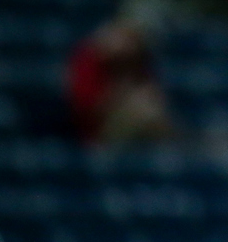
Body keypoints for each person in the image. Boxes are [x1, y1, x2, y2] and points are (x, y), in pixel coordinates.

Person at [65, 17, 177, 146]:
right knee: (145, 108)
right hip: (96, 137)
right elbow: (87, 110)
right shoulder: (89, 60)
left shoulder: (139, 61)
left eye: (132, 39)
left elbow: (155, 95)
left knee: (148, 105)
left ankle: (177, 149)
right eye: (124, 37)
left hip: (138, 131)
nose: (128, 44)